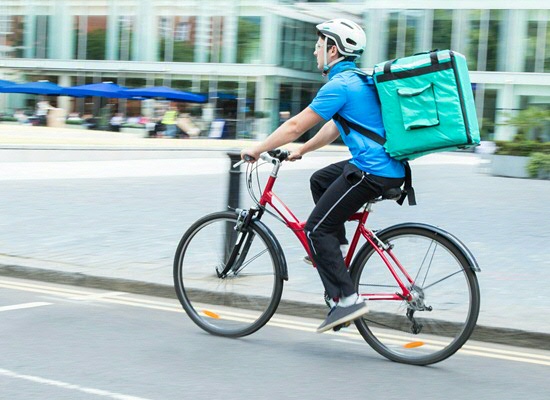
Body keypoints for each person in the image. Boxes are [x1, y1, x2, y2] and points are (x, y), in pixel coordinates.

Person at [240, 19, 406, 333]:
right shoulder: (356, 80)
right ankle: (334, 251)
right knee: (320, 179)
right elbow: (335, 126)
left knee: (315, 228)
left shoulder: (339, 85)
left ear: (333, 49)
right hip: (386, 167)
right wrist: (303, 151)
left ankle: (346, 300)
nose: (315, 51)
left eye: (319, 46)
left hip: (372, 172)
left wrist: (257, 148)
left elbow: (294, 126)